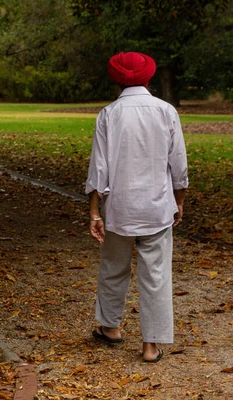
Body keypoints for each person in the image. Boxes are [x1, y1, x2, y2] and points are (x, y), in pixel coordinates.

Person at [86, 52, 188, 363]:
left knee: (113, 268)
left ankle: (111, 327)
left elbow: (98, 169)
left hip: (119, 207)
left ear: (116, 78)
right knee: (156, 274)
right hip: (156, 207)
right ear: (149, 76)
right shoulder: (166, 111)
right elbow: (178, 165)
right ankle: (150, 345)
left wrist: (94, 212)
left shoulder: (108, 114)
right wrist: (179, 202)